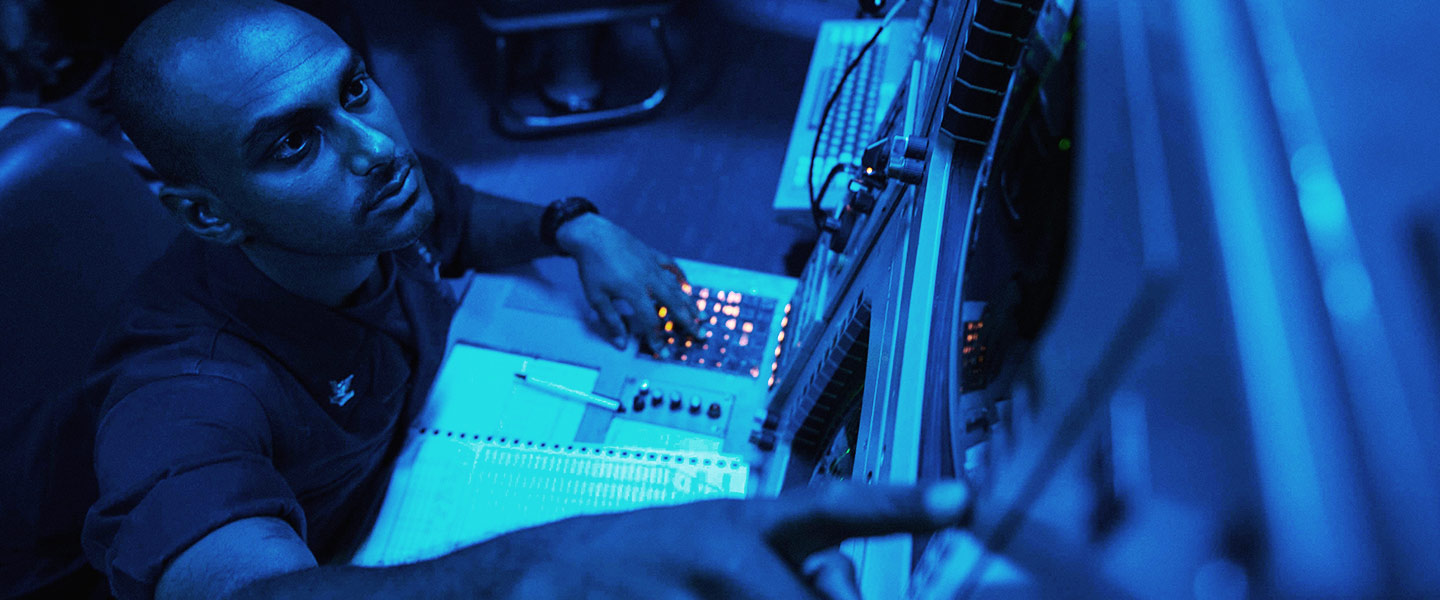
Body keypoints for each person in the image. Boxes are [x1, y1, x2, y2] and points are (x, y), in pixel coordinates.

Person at [80, 1, 973, 599]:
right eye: (292, 143)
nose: (376, 148)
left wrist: (576, 227)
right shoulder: (179, 396)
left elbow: (454, 212)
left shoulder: (367, 208)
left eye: (354, 89)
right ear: (205, 213)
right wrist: (543, 570)